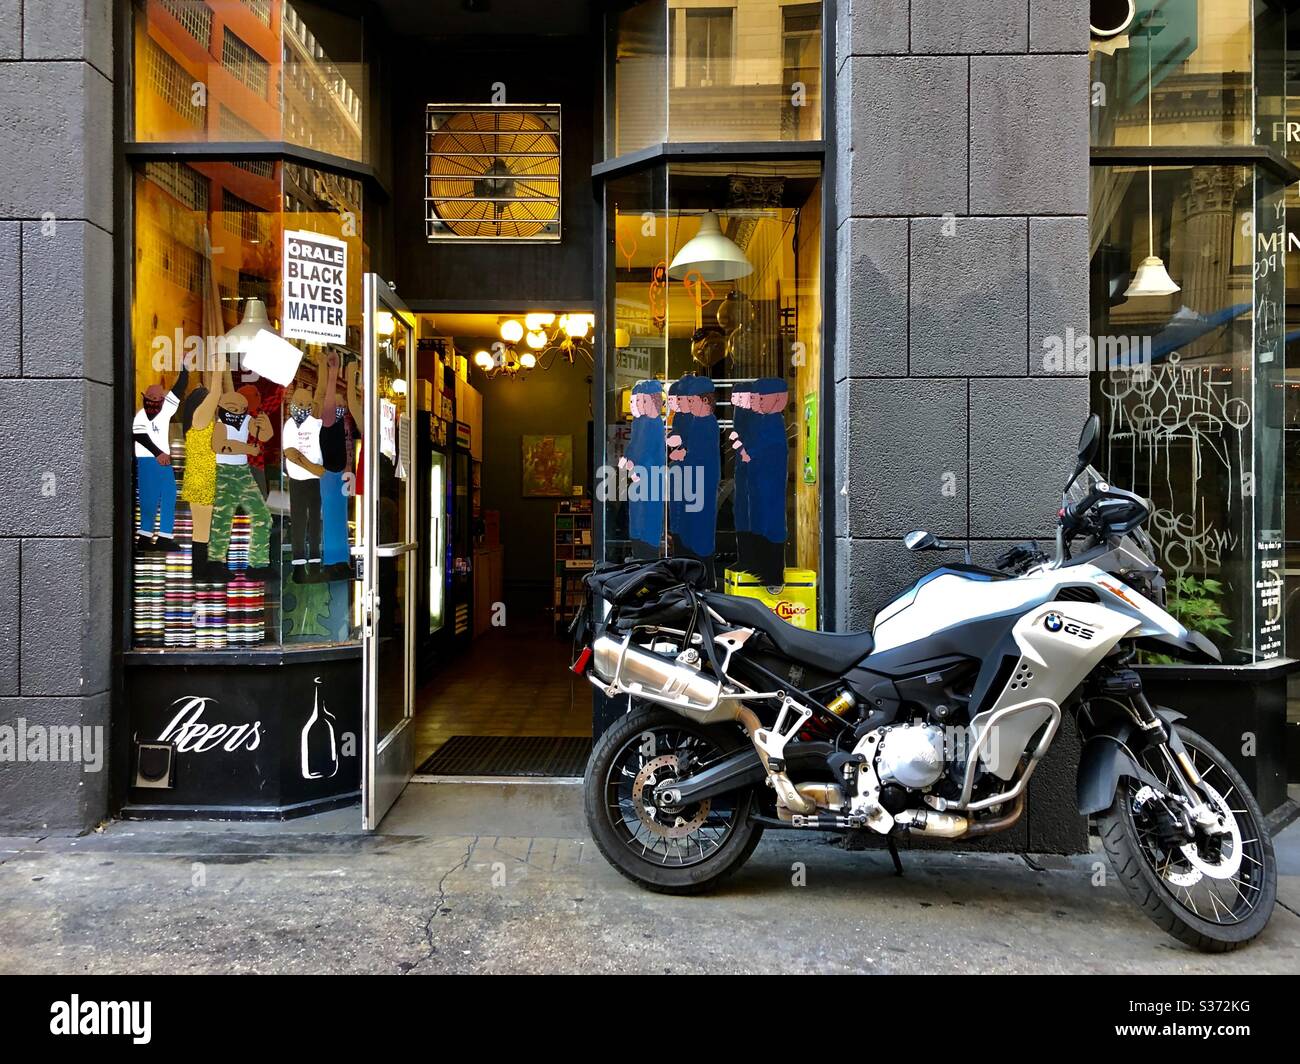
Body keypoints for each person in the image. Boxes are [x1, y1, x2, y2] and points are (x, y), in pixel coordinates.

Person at [209, 366, 275, 581]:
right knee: (221, 519)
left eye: (241, 408)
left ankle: (257, 564)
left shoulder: (247, 420)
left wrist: (265, 426)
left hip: (243, 473)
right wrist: (247, 448)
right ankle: (216, 563)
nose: (237, 412)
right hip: (223, 474)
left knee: (263, 517)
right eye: (232, 407)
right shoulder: (219, 425)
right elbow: (220, 446)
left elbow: (264, 436)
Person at [132, 365, 188, 553]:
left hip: (161, 462)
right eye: (152, 398)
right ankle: (145, 536)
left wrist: (185, 368)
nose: (155, 401)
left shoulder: (164, 412)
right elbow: (140, 436)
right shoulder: (141, 416)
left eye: (158, 398)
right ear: (145, 398)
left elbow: (178, 390)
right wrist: (158, 453)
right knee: (150, 498)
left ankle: (164, 536)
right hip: (149, 460)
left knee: (168, 496)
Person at [669, 375, 719, 579]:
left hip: (701, 487)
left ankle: (703, 580)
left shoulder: (707, 423)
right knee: (690, 532)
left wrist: (683, 455)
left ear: (704, 400)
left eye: (691, 401)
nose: (687, 405)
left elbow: (702, 456)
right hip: (692, 485)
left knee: (700, 534)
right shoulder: (695, 421)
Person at [743, 377, 790, 587]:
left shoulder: (773, 422)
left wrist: (750, 454)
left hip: (769, 485)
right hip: (760, 483)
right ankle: (764, 570)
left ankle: (772, 575)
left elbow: (770, 448)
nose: (759, 402)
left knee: (770, 525)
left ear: (779, 399)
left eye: (763, 398)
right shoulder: (762, 422)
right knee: (760, 523)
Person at [318, 349, 360, 581]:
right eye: (338, 403)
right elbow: (329, 402)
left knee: (339, 517)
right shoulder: (328, 420)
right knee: (332, 515)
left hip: (343, 472)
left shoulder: (343, 423)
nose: (340, 406)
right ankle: (332, 561)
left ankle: (339, 560)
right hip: (331, 470)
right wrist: (334, 372)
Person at [178, 360, 222, 579]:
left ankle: (202, 570)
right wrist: (218, 368)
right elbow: (216, 394)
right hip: (202, 479)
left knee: (203, 529)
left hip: (199, 477)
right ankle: (202, 571)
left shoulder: (196, 422)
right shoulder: (200, 418)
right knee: (204, 529)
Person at [282, 367, 326, 583]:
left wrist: (325, 370)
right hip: (298, 481)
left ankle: (316, 562)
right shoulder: (289, 425)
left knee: (316, 522)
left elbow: (320, 397)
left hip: (314, 482)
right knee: (299, 522)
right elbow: (290, 453)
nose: (305, 408)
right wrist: (315, 468)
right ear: (293, 404)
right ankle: (299, 566)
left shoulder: (315, 423)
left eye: (308, 405)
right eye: (301, 404)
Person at [619, 379, 666, 559]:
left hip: (649, 477)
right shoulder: (639, 423)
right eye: (633, 401)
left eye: (640, 401)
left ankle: (647, 553)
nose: (635, 405)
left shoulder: (654, 424)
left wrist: (637, 467)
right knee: (637, 515)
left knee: (647, 515)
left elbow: (651, 453)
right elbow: (634, 446)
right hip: (639, 477)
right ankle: (639, 551)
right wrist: (628, 458)